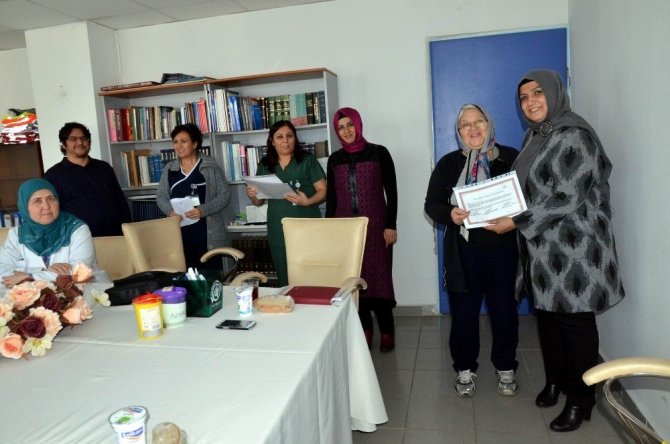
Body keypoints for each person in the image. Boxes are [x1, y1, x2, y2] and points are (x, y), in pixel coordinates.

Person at [485, 70, 625, 432]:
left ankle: (582, 400)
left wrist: (514, 221)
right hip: (543, 251)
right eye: (523, 97)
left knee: (576, 325)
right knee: (548, 320)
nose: (530, 102)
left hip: (576, 251)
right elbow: (526, 190)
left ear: (554, 93)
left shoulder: (575, 135)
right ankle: (556, 381)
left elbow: (566, 196)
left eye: (537, 93)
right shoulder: (537, 135)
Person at [424, 104, 520, 396]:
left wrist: (513, 220)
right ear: (459, 132)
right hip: (463, 253)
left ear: (489, 124)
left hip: (503, 252)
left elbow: (528, 200)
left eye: (479, 121)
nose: (473, 128)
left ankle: (506, 367)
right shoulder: (449, 164)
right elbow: (431, 204)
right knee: (464, 315)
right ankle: (465, 368)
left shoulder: (511, 158)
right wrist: (449, 214)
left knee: (504, 312)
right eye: (466, 124)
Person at [326, 107, 398, 353]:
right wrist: (330, 230)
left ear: (358, 124)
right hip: (346, 230)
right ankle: (365, 329)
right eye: (341, 127)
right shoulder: (335, 159)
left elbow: (392, 192)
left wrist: (391, 225)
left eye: (350, 125)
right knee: (354, 281)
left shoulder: (379, 153)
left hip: (377, 228)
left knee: (380, 279)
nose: (346, 131)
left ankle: (387, 330)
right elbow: (332, 198)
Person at [246, 120, 326, 287]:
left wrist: (308, 201)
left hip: (306, 226)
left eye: (289, 136)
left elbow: (323, 190)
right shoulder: (265, 164)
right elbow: (258, 202)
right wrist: (252, 195)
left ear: (295, 138)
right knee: (284, 275)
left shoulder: (307, 160)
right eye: (280, 137)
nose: (285, 141)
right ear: (272, 141)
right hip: (278, 228)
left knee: (309, 275)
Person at [156, 123, 231, 269]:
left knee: (210, 275)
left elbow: (225, 195)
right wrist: (170, 212)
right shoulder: (169, 169)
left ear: (195, 144)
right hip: (180, 231)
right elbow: (161, 197)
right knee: (184, 276)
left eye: (183, 141)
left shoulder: (209, 166)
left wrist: (203, 210)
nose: (178, 146)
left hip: (207, 232)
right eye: (175, 142)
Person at [0, 178, 96, 286]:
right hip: (29, 294)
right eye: (37, 201)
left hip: (81, 292)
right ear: (25, 207)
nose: (46, 206)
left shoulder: (77, 229)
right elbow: (2, 271)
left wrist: (30, 277)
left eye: (51, 199)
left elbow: (80, 272)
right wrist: (43, 272)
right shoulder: (16, 234)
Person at [44, 122, 131, 237]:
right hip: (79, 239)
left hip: (115, 235)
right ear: (64, 144)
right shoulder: (53, 175)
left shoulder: (104, 168)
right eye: (73, 139)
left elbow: (120, 201)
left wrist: (129, 229)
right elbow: (53, 211)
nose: (80, 143)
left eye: (84, 138)